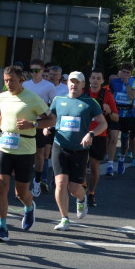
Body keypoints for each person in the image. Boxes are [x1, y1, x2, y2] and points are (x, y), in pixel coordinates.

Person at [0, 66, 53, 242]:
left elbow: (51, 119)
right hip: (4, 146)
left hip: (25, 149)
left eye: (12, 80)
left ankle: (29, 206)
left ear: (21, 80)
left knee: (20, 193)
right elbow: (4, 115)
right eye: (6, 80)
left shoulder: (33, 99)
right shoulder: (1, 97)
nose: (8, 84)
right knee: (1, 185)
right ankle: (2, 228)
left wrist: (32, 125)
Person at [49, 71, 106, 231]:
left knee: (74, 189)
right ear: (67, 83)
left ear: (83, 85)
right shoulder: (58, 100)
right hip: (59, 146)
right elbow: (52, 118)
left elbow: (103, 123)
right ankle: (64, 218)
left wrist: (91, 133)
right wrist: (47, 127)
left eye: (77, 82)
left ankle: (82, 200)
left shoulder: (90, 102)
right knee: (60, 183)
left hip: (80, 150)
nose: (73, 84)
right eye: (71, 81)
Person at [24, 59, 57, 194]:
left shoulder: (49, 86)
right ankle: (24, 184)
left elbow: (53, 107)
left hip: (40, 123)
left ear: (43, 71)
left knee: (39, 154)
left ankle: (37, 182)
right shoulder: (25, 84)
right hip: (25, 124)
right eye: (32, 70)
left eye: (37, 70)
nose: (34, 73)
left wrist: (48, 125)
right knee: (25, 154)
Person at [85, 69, 117, 206]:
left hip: (99, 134)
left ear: (103, 81)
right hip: (83, 134)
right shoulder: (83, 93)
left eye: (98, 78)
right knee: (81, 163)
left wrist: (109, 111)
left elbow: (116, 118)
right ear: (89, 79)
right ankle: (83, 185)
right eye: (93, 78)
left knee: (94, 165)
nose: (95, 80)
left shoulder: (107, 95)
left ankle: (91, 193)